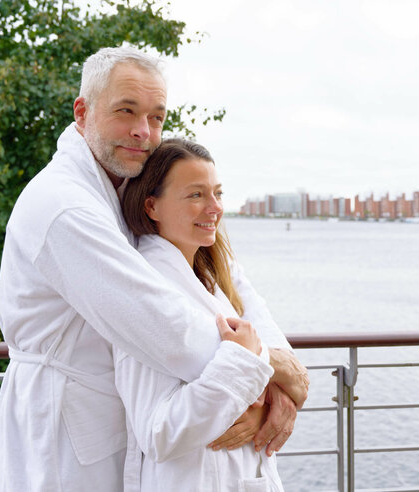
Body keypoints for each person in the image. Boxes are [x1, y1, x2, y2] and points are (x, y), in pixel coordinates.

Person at [0, 46, 308, 492]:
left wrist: (281, 371)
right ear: (82, 112)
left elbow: (234, 282)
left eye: (157, 117)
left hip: (124, 429)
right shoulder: (65, 207)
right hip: (64, 436)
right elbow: (164, 326)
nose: (143, 131)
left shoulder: (128, 185)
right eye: (126, 111)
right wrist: (271, 370)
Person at [116, 139, 283, 491]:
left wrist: (266, 399)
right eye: (196, 195)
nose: (215, 208)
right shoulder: (148, 293)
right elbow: (159, 433)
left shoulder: (209, 278)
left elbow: (266, 347)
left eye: (217, 193)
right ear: (152, 206)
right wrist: (241, 366)